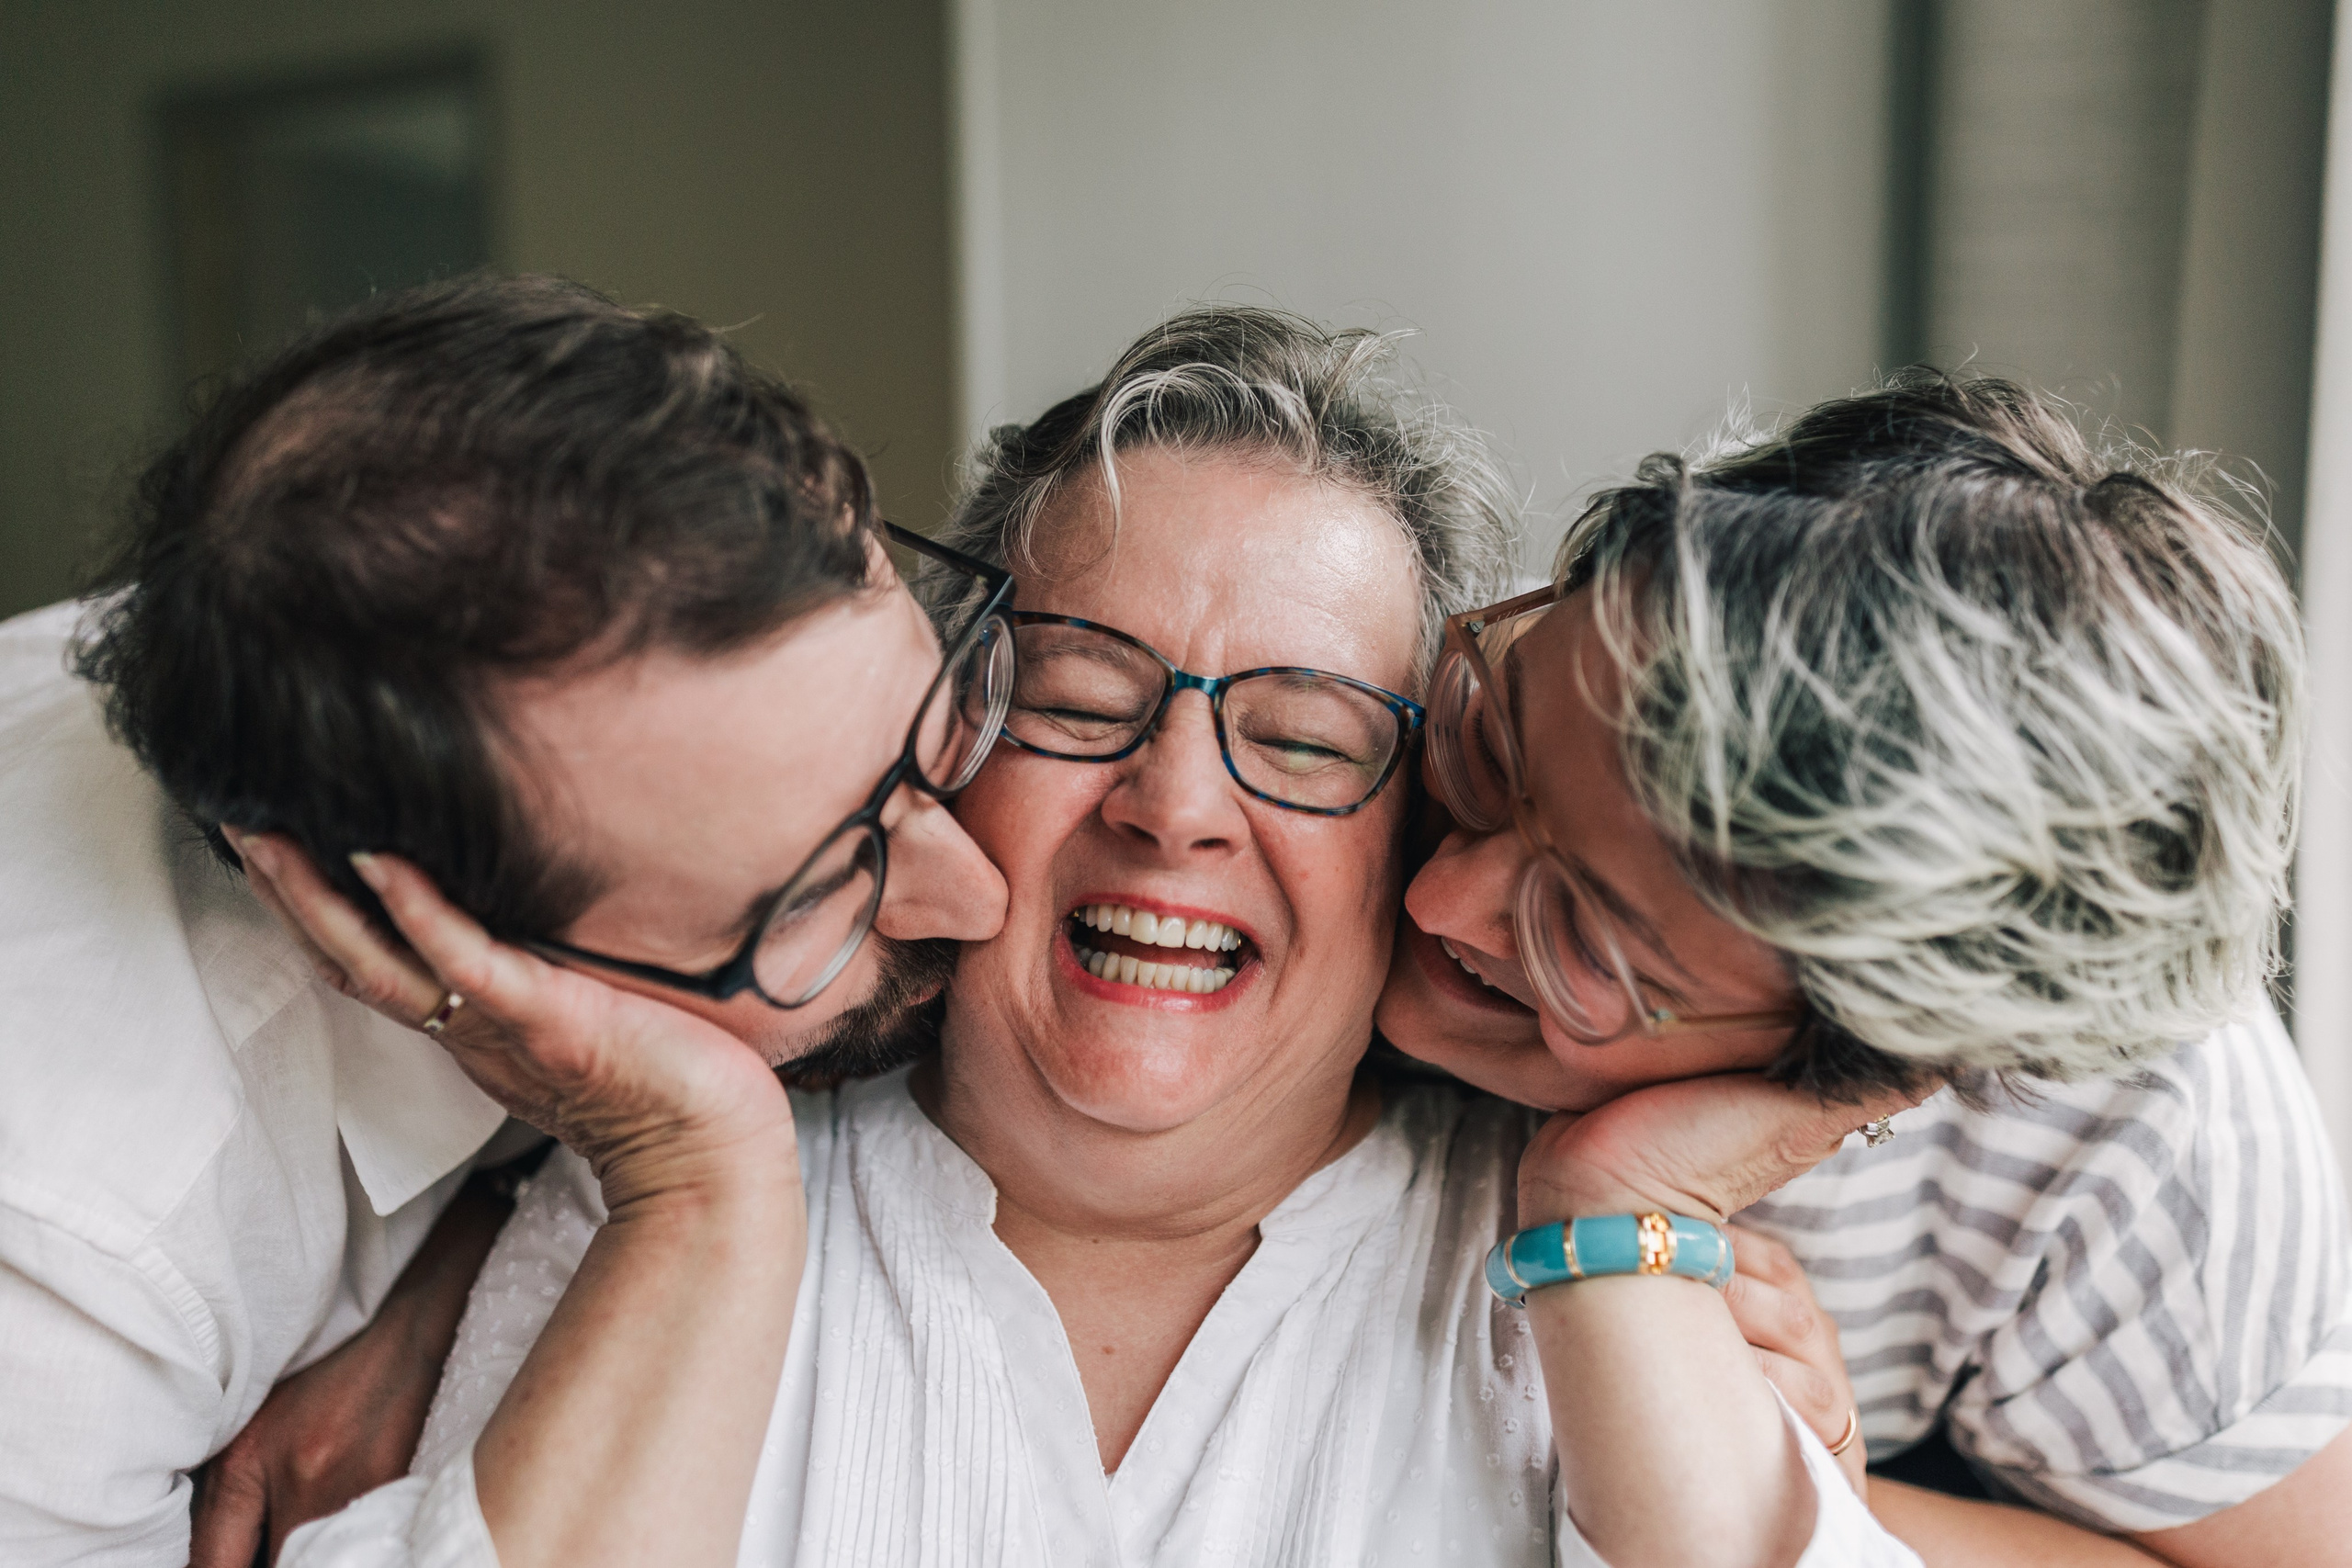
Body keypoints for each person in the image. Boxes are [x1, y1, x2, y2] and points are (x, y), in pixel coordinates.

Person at [266, 309, 1920, 1567]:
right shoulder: (668, 1207)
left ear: (1418, 822)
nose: (1176, 801)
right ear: (944, 738)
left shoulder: (1598, 1312)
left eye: (1307, 737)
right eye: (1078, 694)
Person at [0, 274, 1019, 1566]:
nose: (978, 893)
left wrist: (471, 1256)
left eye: (934, 744)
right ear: (399, 943)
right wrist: (698, 1177)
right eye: (821, 897)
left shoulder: (335, 622)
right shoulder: (66, 1269)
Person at [1375, 374, 2349, 1566]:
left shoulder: (2152, 1150)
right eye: (1493, 738)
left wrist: (1823, 1494)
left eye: (1583, 943)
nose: (1435, 898)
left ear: (1883, 1067)